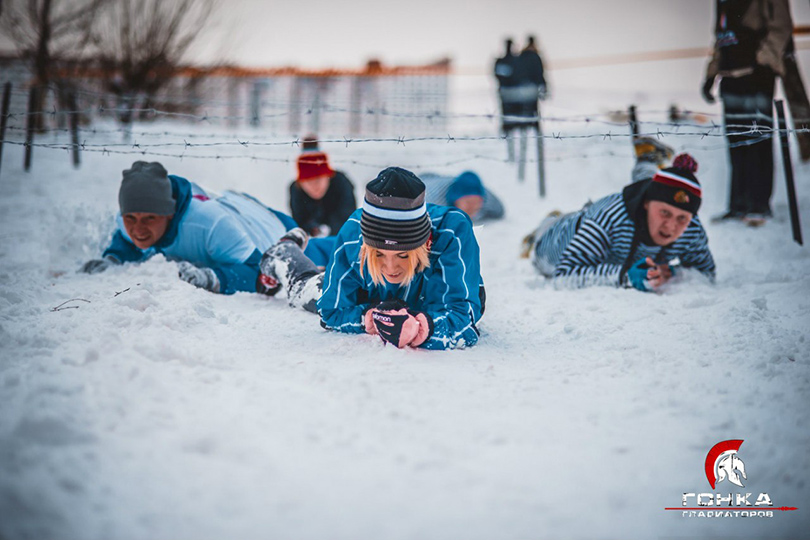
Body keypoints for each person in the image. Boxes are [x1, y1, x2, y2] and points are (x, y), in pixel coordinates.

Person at [260, 167, 485, 350]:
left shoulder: (452, 233)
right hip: (368, 293)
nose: (390, 267)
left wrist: (420, 329)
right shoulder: (352, 235)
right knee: (308, 289)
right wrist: (371, 318)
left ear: (425, 244)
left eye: (403, 255)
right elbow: (331, 312)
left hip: (427, 293)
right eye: (379, 254)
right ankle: (284, 255)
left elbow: (462, 316)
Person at [79, 161, 331, 294]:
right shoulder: (129, 219)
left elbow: (257, 270)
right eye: (130, 218)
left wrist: (210, 278)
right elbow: (125, 241)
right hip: (229, 203)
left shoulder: (208, 225)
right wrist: (112, 259)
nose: (138, 229)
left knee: (321, 253)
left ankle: (361, 239)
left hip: (268, 228)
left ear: (168, 213)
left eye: (149, 219)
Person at [522, 154, 715, 291]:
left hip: (607, 228)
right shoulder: (607, 218)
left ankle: (646, 162)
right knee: (546, 242)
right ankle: (548, 223)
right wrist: (624, 276)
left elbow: (706, 273)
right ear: (647, 203)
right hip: (557, 240)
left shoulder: (691, 228)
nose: (671, 226)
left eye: (682, 218)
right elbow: (563, 277)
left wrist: (670, 273)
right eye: (664, 213)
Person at [702, 0, 793, 225]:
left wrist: (765, 61)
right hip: (730, 77)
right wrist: (711, 74)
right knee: (736, 143)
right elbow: (720, 38)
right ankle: (737, 205)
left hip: (756, 75)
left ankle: (759, 205)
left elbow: (781, 26)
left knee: (758, 141)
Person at [289, 142, 356, 238]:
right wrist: (311, 229)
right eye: (307, 181)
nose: (314, 186)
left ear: (328, 176)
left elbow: (348, 216)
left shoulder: (341, 184)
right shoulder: (296, 190)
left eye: (318, 179)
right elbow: (298, 221)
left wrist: (329, 229)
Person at [421, 170, 505, 223]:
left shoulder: (488, 200)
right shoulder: (431, 197)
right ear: (455, 199)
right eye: (468, 202)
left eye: (477, 202)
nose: (472, 206)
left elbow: (499, 211)